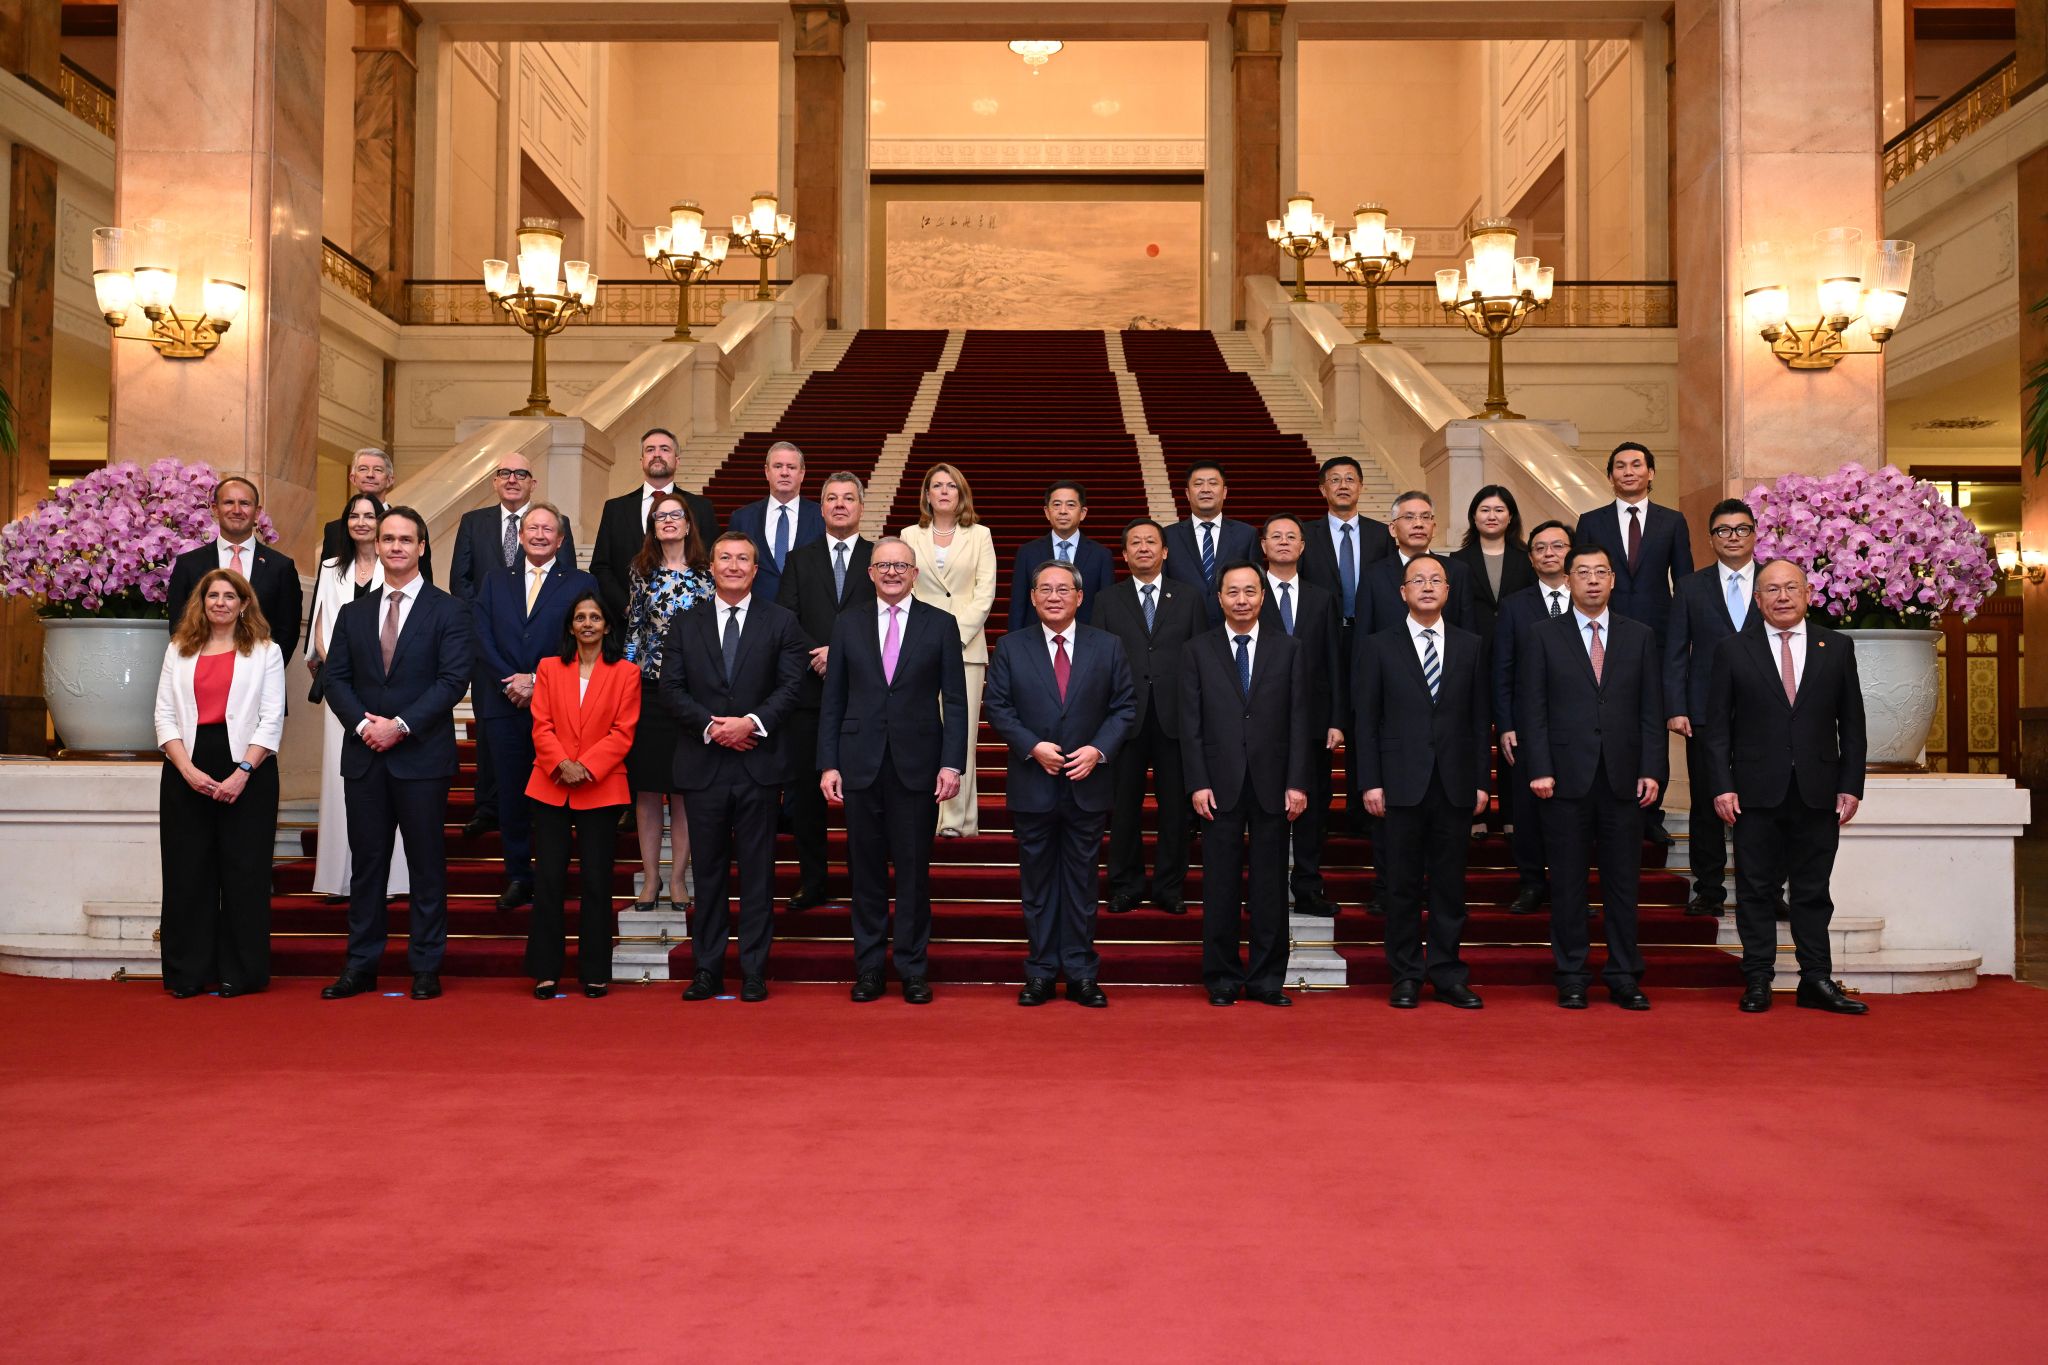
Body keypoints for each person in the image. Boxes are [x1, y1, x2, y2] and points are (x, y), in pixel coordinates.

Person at [319, 506, 474, 1002]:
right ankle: (361, 964)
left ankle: (425, 965)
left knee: (427, 864)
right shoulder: (353, 612)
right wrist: (367, 725)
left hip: (422, 756)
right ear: (377, 546)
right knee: (367, 864)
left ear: (422, 548)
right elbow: (334, 678)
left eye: (407, 540)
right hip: (365, 756)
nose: (397, 547)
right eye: (389, 539)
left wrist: (401, 726)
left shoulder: (448, 610)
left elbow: (452, 681)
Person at [1703, 560, 1870, 1015]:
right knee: (1756, 890)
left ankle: (1815, 979)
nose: (1781, 597)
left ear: (1808, 593)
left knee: (1813, 891)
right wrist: (1722, 784)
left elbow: (1852, 724)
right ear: (1757, 600)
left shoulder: (1835, 647)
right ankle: (1757, 979)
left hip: (1819, 791)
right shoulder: (1733, 650)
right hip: (1754, 792)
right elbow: (1716, 728)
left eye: (1790, 588)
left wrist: (1851, 784)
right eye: (1771, 590)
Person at [659, 532, 809, 1003]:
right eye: (725, 557)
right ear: (712, 567)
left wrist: (751, 723)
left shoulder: (781, 621)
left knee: (759, 874)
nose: (734, 565)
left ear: (756, 569)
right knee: (708, 873)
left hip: (758, 766)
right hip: (703, 764)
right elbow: (671, 688)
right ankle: (706, 968)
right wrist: (713, 727)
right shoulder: (685, 623)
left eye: (743, 559)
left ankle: (753, 970)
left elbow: (791, 686)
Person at [819, 537, 968, 1004]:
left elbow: (957, 701)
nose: (890, 572)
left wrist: (952, 762)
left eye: (900, 565)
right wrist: (828, 763)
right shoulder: (847, 624)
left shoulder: (940, 624)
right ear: (869, 572)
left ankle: (912, 968)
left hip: (917, 766)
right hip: (859, 764)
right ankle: (868, 970)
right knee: (863, 875)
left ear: (914, 572)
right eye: (882, 565)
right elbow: (833, 700)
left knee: (913, 873)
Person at [1517, 544, 1666, 1011]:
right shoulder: (1542, 635)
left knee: (1624, 883)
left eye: (1602, 572)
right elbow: (1532, 708)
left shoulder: (1639, 635)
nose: (1594, 580)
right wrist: (1538, 768)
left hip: (1624, 779)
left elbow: (1651, 710)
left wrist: (1652, 769)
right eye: (1583, 572)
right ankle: (1572, 974)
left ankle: (1624, 974)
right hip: (1563, 780)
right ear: (1569, 580)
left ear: (1614, 580)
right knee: (1567, 883)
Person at [984, 560, 1135, 1008]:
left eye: (1063, 589)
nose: (1054, 596)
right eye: (1044, 589)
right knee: (1037, 887)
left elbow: (1124, 707)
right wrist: (1032, 747)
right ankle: (1042, 972)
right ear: (1032, 598)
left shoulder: (1107, 646)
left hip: (1087, 786)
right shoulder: (1011, 647)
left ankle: (1083, 973)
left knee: (1083, 886)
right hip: (1034, 783)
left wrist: (1097, 750)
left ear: (1079, 597)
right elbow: (999, 705)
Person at [1354, 553, 1492, 1010]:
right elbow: (1366, 722)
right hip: (1398, 784)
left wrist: (1480, 781)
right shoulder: (1378, 645)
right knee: (1402, 885)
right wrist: (1370, 781)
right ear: (1403, 592)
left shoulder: (1471, 645)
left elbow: (1478, 720)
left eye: (1437, 580)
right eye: (1419, 580)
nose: (1428, 587)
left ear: (1449, 591)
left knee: (1451, 886)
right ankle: (1406, 974)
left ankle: (1449, 974)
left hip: (1453, 783)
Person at [1180, 562, 1311, 1006]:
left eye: (1250, 591)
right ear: (1219, 598)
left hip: (1274, 783)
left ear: (1262, 596)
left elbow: (1298, 720)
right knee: (1220, 885)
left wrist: (1298, 782)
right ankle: (1220, 977)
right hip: (1218, 784)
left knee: (1270, 886)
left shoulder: (1289, 648)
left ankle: (1267, 979)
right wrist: (1197, 782)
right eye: (1232, 592)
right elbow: (1190, 723)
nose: (1241, 599)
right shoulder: (1197, 650)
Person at [152, 569, 286, 998]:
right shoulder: (179, 649)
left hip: (249, 769)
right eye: (213, 595)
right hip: (185, 767)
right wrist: (186, 769)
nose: (221, 603)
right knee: (186, 873)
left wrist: (242, 772)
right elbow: (163, 716)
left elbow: (270, 718)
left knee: (244, 873)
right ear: (202, 602)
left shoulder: (266, 652)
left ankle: (240, 972)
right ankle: (187, 972)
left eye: (231, 596)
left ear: (244, 604)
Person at [470, 504, 598, 912]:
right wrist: (513, 680)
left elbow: (583, 638)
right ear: (520, 536)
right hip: (502, 700)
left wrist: (536, 681)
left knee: (555, 795)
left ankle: (552, 874)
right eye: (533, 528)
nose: (540, 535)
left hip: (558, 706)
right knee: (510, 793)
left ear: (561, 540)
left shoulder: (581, 582)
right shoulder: (494, 581)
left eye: (549, 529)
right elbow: (482, 635)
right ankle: (518, 875)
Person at [447, 453, 577, 840]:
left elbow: (566, 593)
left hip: (545, 665)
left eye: (521, 473)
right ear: (495, 481)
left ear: (533, 483)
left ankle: (539, 813)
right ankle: (488, 808)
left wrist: (538, 673)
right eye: (505, 473)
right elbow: (461, 582)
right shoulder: (474, 523)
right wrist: (489, 624)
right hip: (492, 657)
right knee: (489, 740)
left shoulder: (556, 525)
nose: (512, 479)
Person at [1574, 441, 1692, 847]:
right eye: (1620, 466)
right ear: (1610, 476)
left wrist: (1680, 639)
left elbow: (1685, 584)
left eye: (1636, 465)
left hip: (1657, 638)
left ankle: (1651, 812)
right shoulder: (1591, 521)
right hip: (1604, 634)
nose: (1628, 472)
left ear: (1651, 473)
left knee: (1651, 720)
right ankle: (1605, 797)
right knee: (1609, 715)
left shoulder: (1672, 522)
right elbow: (1582, 577)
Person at [525, 590, 640, 1000]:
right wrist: (562, 764)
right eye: (580, 617)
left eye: (595, 617)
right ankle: (546, 971)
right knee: (550, 880)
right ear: (570, 626)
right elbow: (541, 724)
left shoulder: (626, 673)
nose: (588, 623)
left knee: (596, 881)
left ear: (607, 625)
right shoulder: (549, 668)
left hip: (602, 786)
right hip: (550, 784)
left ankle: (594, 971)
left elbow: (623, 731)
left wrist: (587, 766)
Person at [776, 470, 876, 911]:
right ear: (821, 508)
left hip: (865, 697)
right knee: (806, 796)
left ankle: (864, 883)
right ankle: (813, 880)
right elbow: (784, 620)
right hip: (808, 697)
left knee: (862, 799)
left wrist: (842, 651)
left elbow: (889, 617)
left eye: (848, 498)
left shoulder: (880, 559)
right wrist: (818, 656)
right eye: (832, 498)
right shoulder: (800, 558)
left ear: (860, 507)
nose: (840, 505)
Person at [1094, 518, 1201, 916]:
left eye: (1151, 542)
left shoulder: (1189, 598)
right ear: (1124, 554)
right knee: (1124, 808)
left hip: (1176, 718)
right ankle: (1125, 884)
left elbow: (1200, 660)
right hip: (1123, 719)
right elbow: (1098, 662)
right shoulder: (1107, 600)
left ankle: (1170, 887)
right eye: (1135, 543)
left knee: (1176, 809)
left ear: (1165, 551)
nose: (1143, 548)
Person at [306, 492, 408, 901]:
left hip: (389, 689)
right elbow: (320, 625)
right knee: (339, 777)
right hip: (343, 693)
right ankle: (338, 876)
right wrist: (341, 672)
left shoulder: (398, 567)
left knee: (390, 780)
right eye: (355, 515)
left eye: (370, 515)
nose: (362, 522)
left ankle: (393, 878)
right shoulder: (331, 567)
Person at [1665, 498, 1762, 917]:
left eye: (1741, 529)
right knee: (1707, 803)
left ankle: (1764, 889)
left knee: (1762, 802)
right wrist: (1676, 705)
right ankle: (1709, 889)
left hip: (1767, 712)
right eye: (1723, 530)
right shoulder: (1690, 586)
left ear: (1755, 533)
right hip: (1705, 712)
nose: (1733, 537)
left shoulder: (1775, 580)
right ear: (1711, 539)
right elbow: (1674, 652)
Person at [624, 491, 712, 913]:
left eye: (676, 515)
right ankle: (651, 878)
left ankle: (677, 878)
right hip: (649, 690)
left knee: (682, 789)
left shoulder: (706, 573)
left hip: (692, 693)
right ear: (653, 527)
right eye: (661, 517)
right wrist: (624, 680)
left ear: (689, 523)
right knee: (646, 788)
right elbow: (634, 630)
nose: (669, 522)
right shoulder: (641, 571)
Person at [899, 463, 997, 838]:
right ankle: (924, 812)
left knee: (962, 734)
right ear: (926, 494)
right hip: (918, 647)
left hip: (965, 647)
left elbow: (985, 592)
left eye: (950, 486)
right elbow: (902, 586)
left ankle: (959, 819)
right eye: (936, 485)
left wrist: (954, 637)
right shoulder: (910, 533)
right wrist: (927, 640)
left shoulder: (980, 535)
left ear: (961, 494)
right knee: (921, 731)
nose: (943, 491)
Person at [1298, 455, 1394, 836]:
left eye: (1349, 479)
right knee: (1325, 719)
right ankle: (1316, 810)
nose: (1342, 485)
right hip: (1322, 641)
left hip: (1369, 638)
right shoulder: (1307, 535)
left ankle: (1361, 807)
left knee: (1368, 718)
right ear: (1322, 489)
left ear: (1361, 487)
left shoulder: (1382, 535)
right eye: (1334, 480)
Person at [1257, 514, 1345, 917]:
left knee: (1313, 808)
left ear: (1303, 545)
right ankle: (1267, 887)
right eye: (1276, 536)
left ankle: (1308, 885)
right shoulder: (1248, 593)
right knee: (1265, 808)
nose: (1284, 542)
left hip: (1312, 722)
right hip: (1261, 722)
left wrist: (1336, 718)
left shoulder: (1322, 596)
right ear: (1263, 546)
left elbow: (1333, 660)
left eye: (1291, 536)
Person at [1492, 519, 1575, 916]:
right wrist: (1506, 723)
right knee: (1526, 812)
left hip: (1578, 727)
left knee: (1574, 814)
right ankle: (1530, 883)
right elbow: (1502, 668)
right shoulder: (1514, 605)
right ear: (1531, 557)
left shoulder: (1591, 598)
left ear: (1570, 552)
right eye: (1540, 548)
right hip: (1527, 724)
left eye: (1557, 546)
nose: (1549, 554)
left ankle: (1569, 885)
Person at [589, 427, 716, 642]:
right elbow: (601, 566)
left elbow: (710, 563)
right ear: (641, 460)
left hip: (689, 628)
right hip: (630, 632)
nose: (657, 454)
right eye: (650, 450)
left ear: (677, 460)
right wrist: (628, 608)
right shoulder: (615, 509)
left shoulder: (701, 508)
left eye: (664, 449)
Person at [165, 476, 303, 667]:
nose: (236, 510)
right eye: (229, 502)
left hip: (261, 680)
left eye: (244, 503)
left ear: (257, 512)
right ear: (215, 509)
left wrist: (266, 669)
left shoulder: (281, 567)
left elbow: (288, 631)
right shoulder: (189, 564)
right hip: (202, 677)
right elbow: (179, 625)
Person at [1358, 490, 1474, 635]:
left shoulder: (1457, 571)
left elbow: (1468, 635)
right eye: (1409, 517)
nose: (1418, 524)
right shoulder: (1373, 575)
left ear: (1434, 528)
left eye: (1425, 517)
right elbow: (1364, 637)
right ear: (1393, 529)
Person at [727, 439, 823, 606]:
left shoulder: (822, 516)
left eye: (791, 467)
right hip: (756, 614)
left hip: (809, 613)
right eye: (778, 466)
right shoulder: (742, 518)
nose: (784, 472)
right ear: (767, 472)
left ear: (802, 473)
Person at [1008, 480, 1114, 631]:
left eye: (1070, 505)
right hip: (1036, 640)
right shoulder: (1027, 552)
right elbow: (1018, 605)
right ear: (1047, 512)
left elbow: (1106, 607)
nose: (1063, 511)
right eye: (1056, 505)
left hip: (1087, 642)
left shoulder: (1101, 555)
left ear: (1083, 513)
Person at [1162, 461, 1259, 625]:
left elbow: (1255, 585)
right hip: (1182, 628)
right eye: (1198, 484)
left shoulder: (1247, 534)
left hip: (1232, 628)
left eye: (1213, 483)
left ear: (1225, 492)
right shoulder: (1168, 535)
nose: (1205, 489)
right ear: (1187, 493)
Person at [321, 448, 434, 584]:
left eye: (378, 470)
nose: (370, 475)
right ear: (353, 478)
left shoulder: (411, 525)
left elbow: (424, 580)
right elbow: (323, 586)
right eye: (363, 469)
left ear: (390, 480)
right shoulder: (334, 530)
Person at [1450, 484, 1532, 641]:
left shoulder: (1527, 558)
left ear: (1510, 517)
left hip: (1519, 641)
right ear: (1474, 516)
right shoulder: (1458, 559)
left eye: (1499, 510)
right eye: (1485, 510)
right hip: (1474, 643)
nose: (1492, 516)